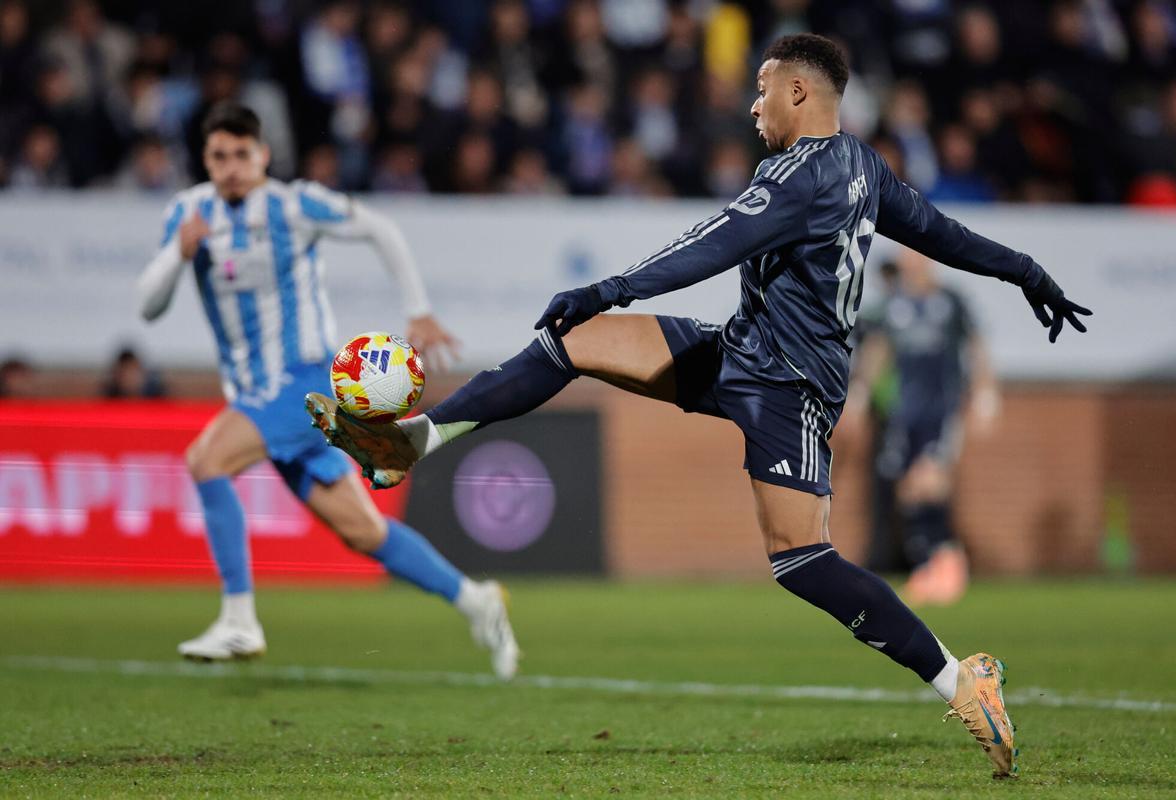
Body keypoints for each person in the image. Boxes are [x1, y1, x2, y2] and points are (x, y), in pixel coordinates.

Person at [307, 35, 1091, 776]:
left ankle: (962, 680)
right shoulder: (862, 166)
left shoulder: (800, 175)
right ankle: (420, 439)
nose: (753, 109)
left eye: (760, 93)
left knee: (800, 561)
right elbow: (941, 233)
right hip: (740, 351)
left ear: (797, 91)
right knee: (574, 342)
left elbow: (711, 242)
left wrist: (612, 283)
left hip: (793, 389)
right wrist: (1027, 271)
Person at [136, 103, 518, 679]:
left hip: (305, 384)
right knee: (363, 531)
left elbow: (380, 228)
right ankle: (475, 599)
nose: (232, 167)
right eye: (220, 156)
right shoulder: (188, 213)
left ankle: (239, 619)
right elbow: (149, 305)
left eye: (243, 154)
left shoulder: (294, 205)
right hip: (257, 395)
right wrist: (177, 252)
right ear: (206, 160)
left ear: (262, 155)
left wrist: (418, 310)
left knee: (206, 460)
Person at [845, 249, 1000, 606]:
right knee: (907, 488)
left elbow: (975, 347)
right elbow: (878, 350)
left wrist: (985, 393)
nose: (912, 265)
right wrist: (860, 393)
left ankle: (946, 566)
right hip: (904, 411)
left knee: (929, 480)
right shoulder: (894, 306)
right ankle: (935, 563)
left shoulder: (951, 302)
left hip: (940, 410)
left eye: (916, 259)